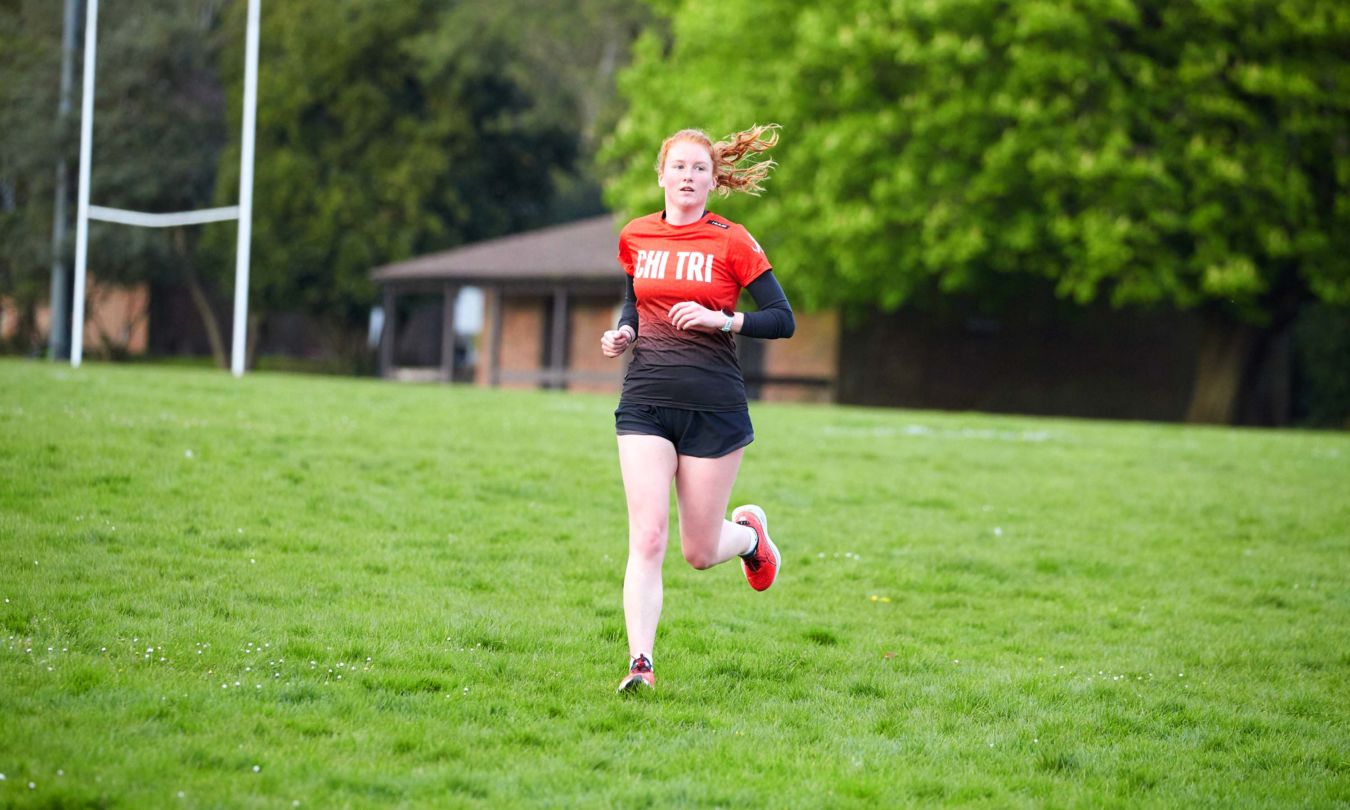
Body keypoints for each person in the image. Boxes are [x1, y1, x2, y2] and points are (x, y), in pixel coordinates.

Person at [600, 124, 796, 692]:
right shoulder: (636, 236)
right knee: (649, 537)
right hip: (645, 406)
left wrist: (723, 319)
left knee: (700, 551)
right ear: (661, 175)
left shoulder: (732, 241)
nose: (688, 177)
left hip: (713, 408)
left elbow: (783, 320)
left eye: (699, 169)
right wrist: (623, 333)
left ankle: (752, 539)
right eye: (679, 167)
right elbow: (633, 302)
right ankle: (641, 664)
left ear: (714, 181)